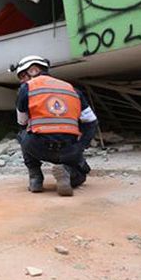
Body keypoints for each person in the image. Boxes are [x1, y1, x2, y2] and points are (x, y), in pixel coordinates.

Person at [11, 55, 98, 196]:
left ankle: (35, 177)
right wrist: (80, 147)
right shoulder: (73, 89)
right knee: (81, 176)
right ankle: (67, 172)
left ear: (33, 70)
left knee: (22, 134)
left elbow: (22, 122)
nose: (21, 81)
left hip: (38, 147)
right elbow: (91, 122)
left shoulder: (26, 88)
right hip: (69, 149)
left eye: (22, 76)